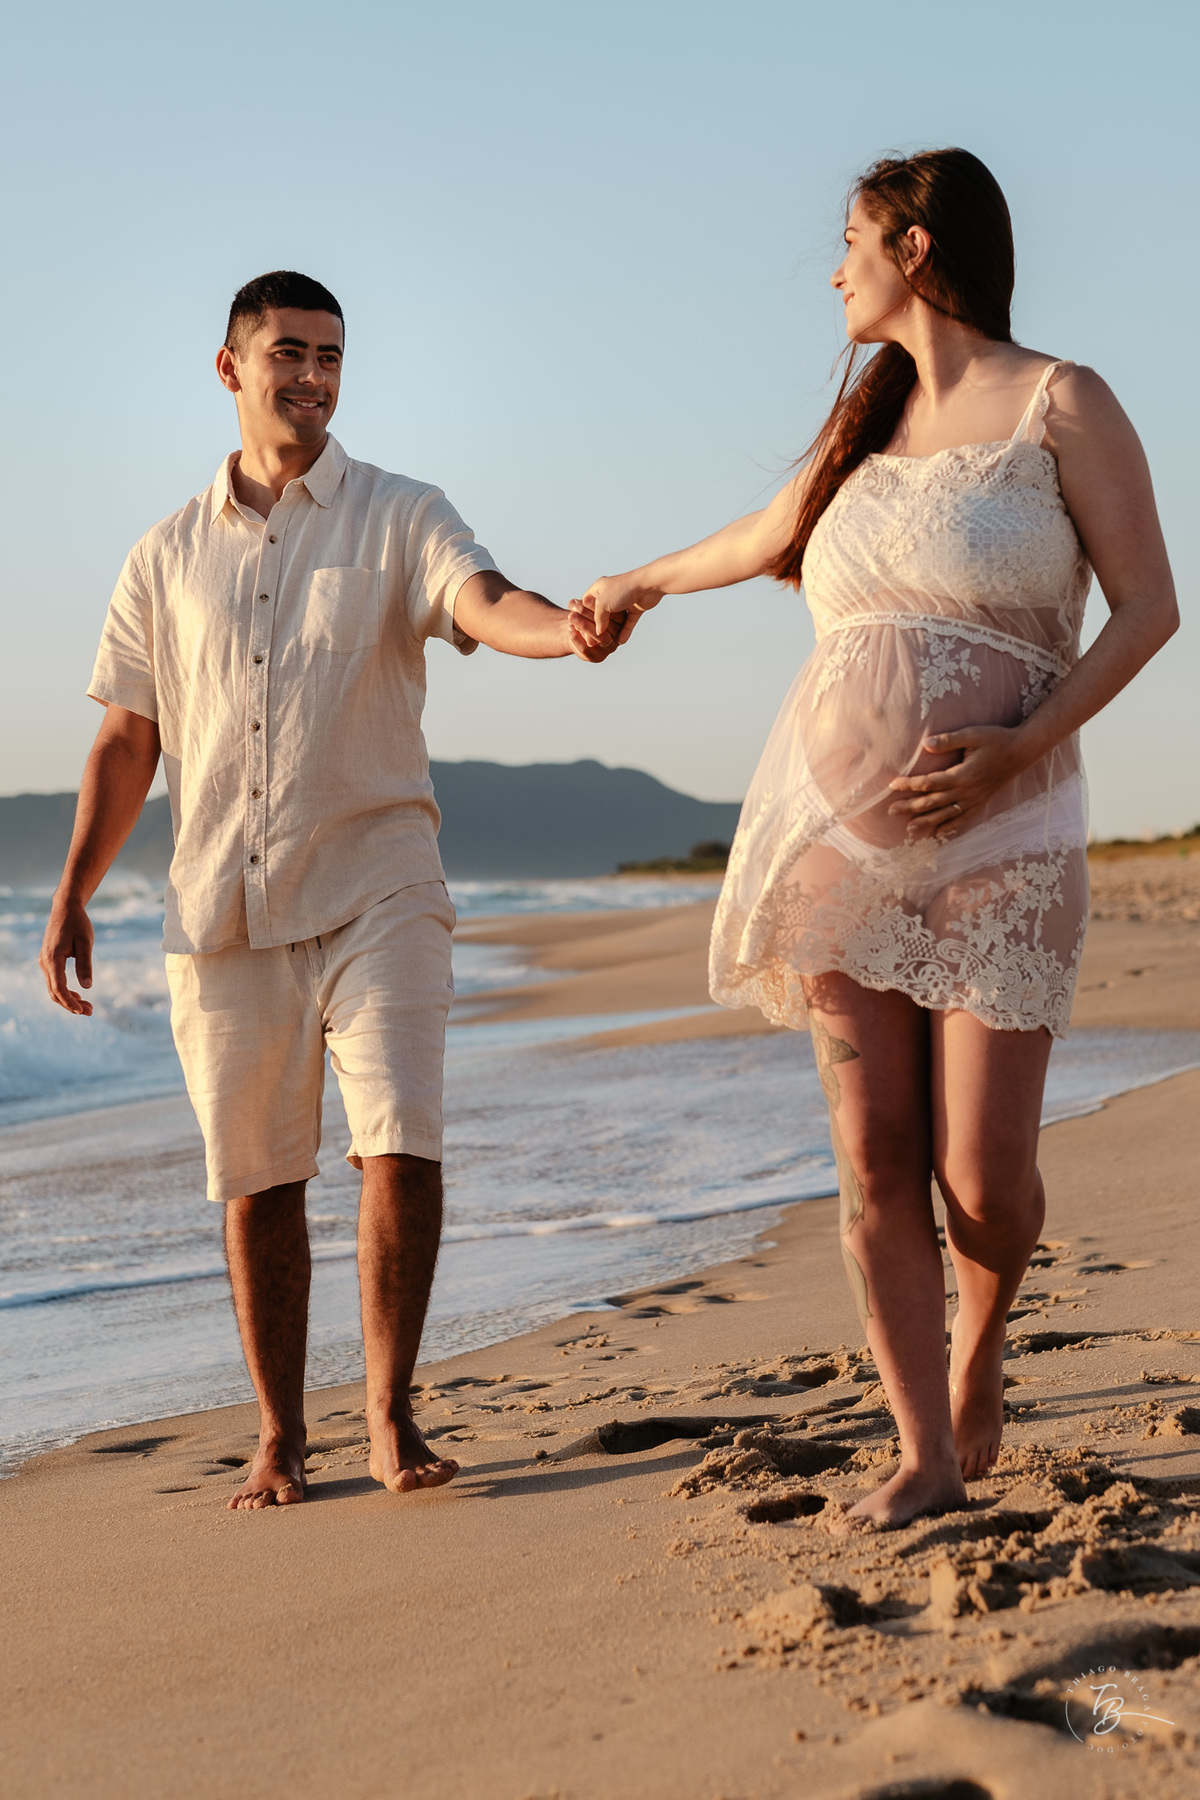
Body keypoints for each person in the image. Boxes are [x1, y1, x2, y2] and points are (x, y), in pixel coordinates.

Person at [576, 149, 1178, 1528]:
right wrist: (638, 584)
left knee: (980, 1176)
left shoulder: (1058, 400)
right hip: (835, 838)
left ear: (915, 246)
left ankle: (982, 1343)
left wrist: (1020, 747)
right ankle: (924, 1448)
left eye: (847, 242)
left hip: (1005, 829)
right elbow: (765, 535)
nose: (831, 269)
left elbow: (1148, 610)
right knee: (872, 1151)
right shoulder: (864, 422)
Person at [40, 270, 618, 1509]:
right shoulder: (164, 554)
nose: (313, 376)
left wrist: (560, 630)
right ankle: (279, 1434)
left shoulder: (402, 513)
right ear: (231, 367)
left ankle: (392, 1415)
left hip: (381, 882)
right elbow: (127, 739)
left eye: (333, 357)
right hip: (223, 904)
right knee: (258, 1177)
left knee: (398, 1138)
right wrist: (75, 887)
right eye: (290, 353)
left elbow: (483, 599)